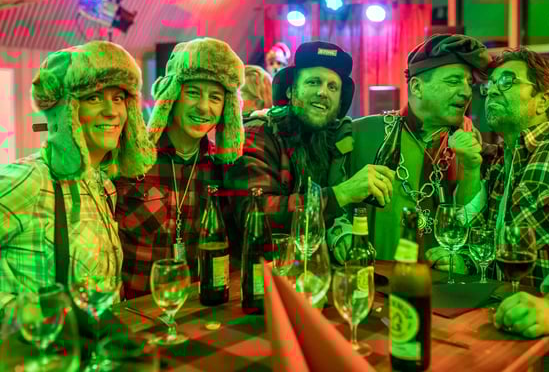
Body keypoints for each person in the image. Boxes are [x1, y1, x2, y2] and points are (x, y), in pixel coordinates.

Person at [466, 48, 549, 371]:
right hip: (518, 347)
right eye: (490, 85)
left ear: (542, 101)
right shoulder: (502, 162)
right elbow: (494, 246)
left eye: (507, 81)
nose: (491, 91)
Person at [0, 41, 154, 313]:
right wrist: (20, 314)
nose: (111, 111)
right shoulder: (33, 178)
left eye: (118, 98)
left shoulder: (104, 187)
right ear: (65, 110)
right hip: (41, 341)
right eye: (93, 98)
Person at [225, 41, 396, 257]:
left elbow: (327, 218)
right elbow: (256, 216)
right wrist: (341, 193)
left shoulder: (330, 140)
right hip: (258, 275)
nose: (323, 92)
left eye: (332, 87)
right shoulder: (259, 133)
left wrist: (339, 233)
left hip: (308, 273)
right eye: (314, 82)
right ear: (290, 91)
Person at [115, 38, 245, 299]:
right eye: (193, 92)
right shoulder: (130, 158)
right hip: (134, 313)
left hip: (197, 310)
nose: (204, 107)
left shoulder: (222, 170)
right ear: (171, 95)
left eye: (215, 97)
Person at [347, 34, 491, 267]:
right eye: (453, 81)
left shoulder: (468, 138)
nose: (466, 92)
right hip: (377, 279)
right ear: (417, 87)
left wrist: (472, 168)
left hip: (441, 283)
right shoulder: (362, 133)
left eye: (468, 83)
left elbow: (470, 221)